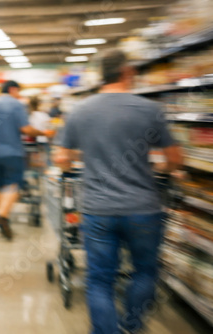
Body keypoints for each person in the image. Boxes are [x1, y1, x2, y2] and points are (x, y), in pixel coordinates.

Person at [54, 49, 183, 334]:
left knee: (100, 280)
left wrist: (85, 158)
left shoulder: (81, 110)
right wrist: (159, 168)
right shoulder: (150, 109)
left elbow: (60, 158)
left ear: (101, 75)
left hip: (98, 210)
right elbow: (175, 160)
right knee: (145, 272)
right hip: (143, 210)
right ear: (127, 72)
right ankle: (132, 327)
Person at [0, 81, 49, 240]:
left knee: (0, 185)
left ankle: (0, 213)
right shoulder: (16, 104)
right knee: (13, 184)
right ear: (12, 89)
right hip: (13, 152)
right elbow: (26, 129)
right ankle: (1, 215)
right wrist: (45, 132)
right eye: (18, 92)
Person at [28, 96, 53, 166]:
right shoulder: (44, 115)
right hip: (44, 140)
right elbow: (50, 127)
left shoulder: (29, 116)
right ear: (39, 104)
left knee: (34, 162)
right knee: (46, 160)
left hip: (32, 142)